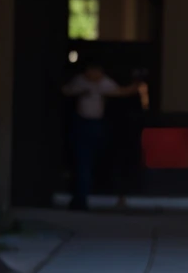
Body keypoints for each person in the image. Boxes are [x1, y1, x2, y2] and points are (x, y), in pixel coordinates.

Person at [61, 62, 148, 211]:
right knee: (83, 162)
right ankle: (80, 199)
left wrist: (137, 86)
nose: (94, 74)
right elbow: (66, 90)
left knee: (97, 160)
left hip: (97, 125)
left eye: (97, 71)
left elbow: (119, 92)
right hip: (81, 124)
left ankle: (96, 192)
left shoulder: (104, 83)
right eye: (91, 71)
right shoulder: (80, 81)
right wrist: (81, 91)